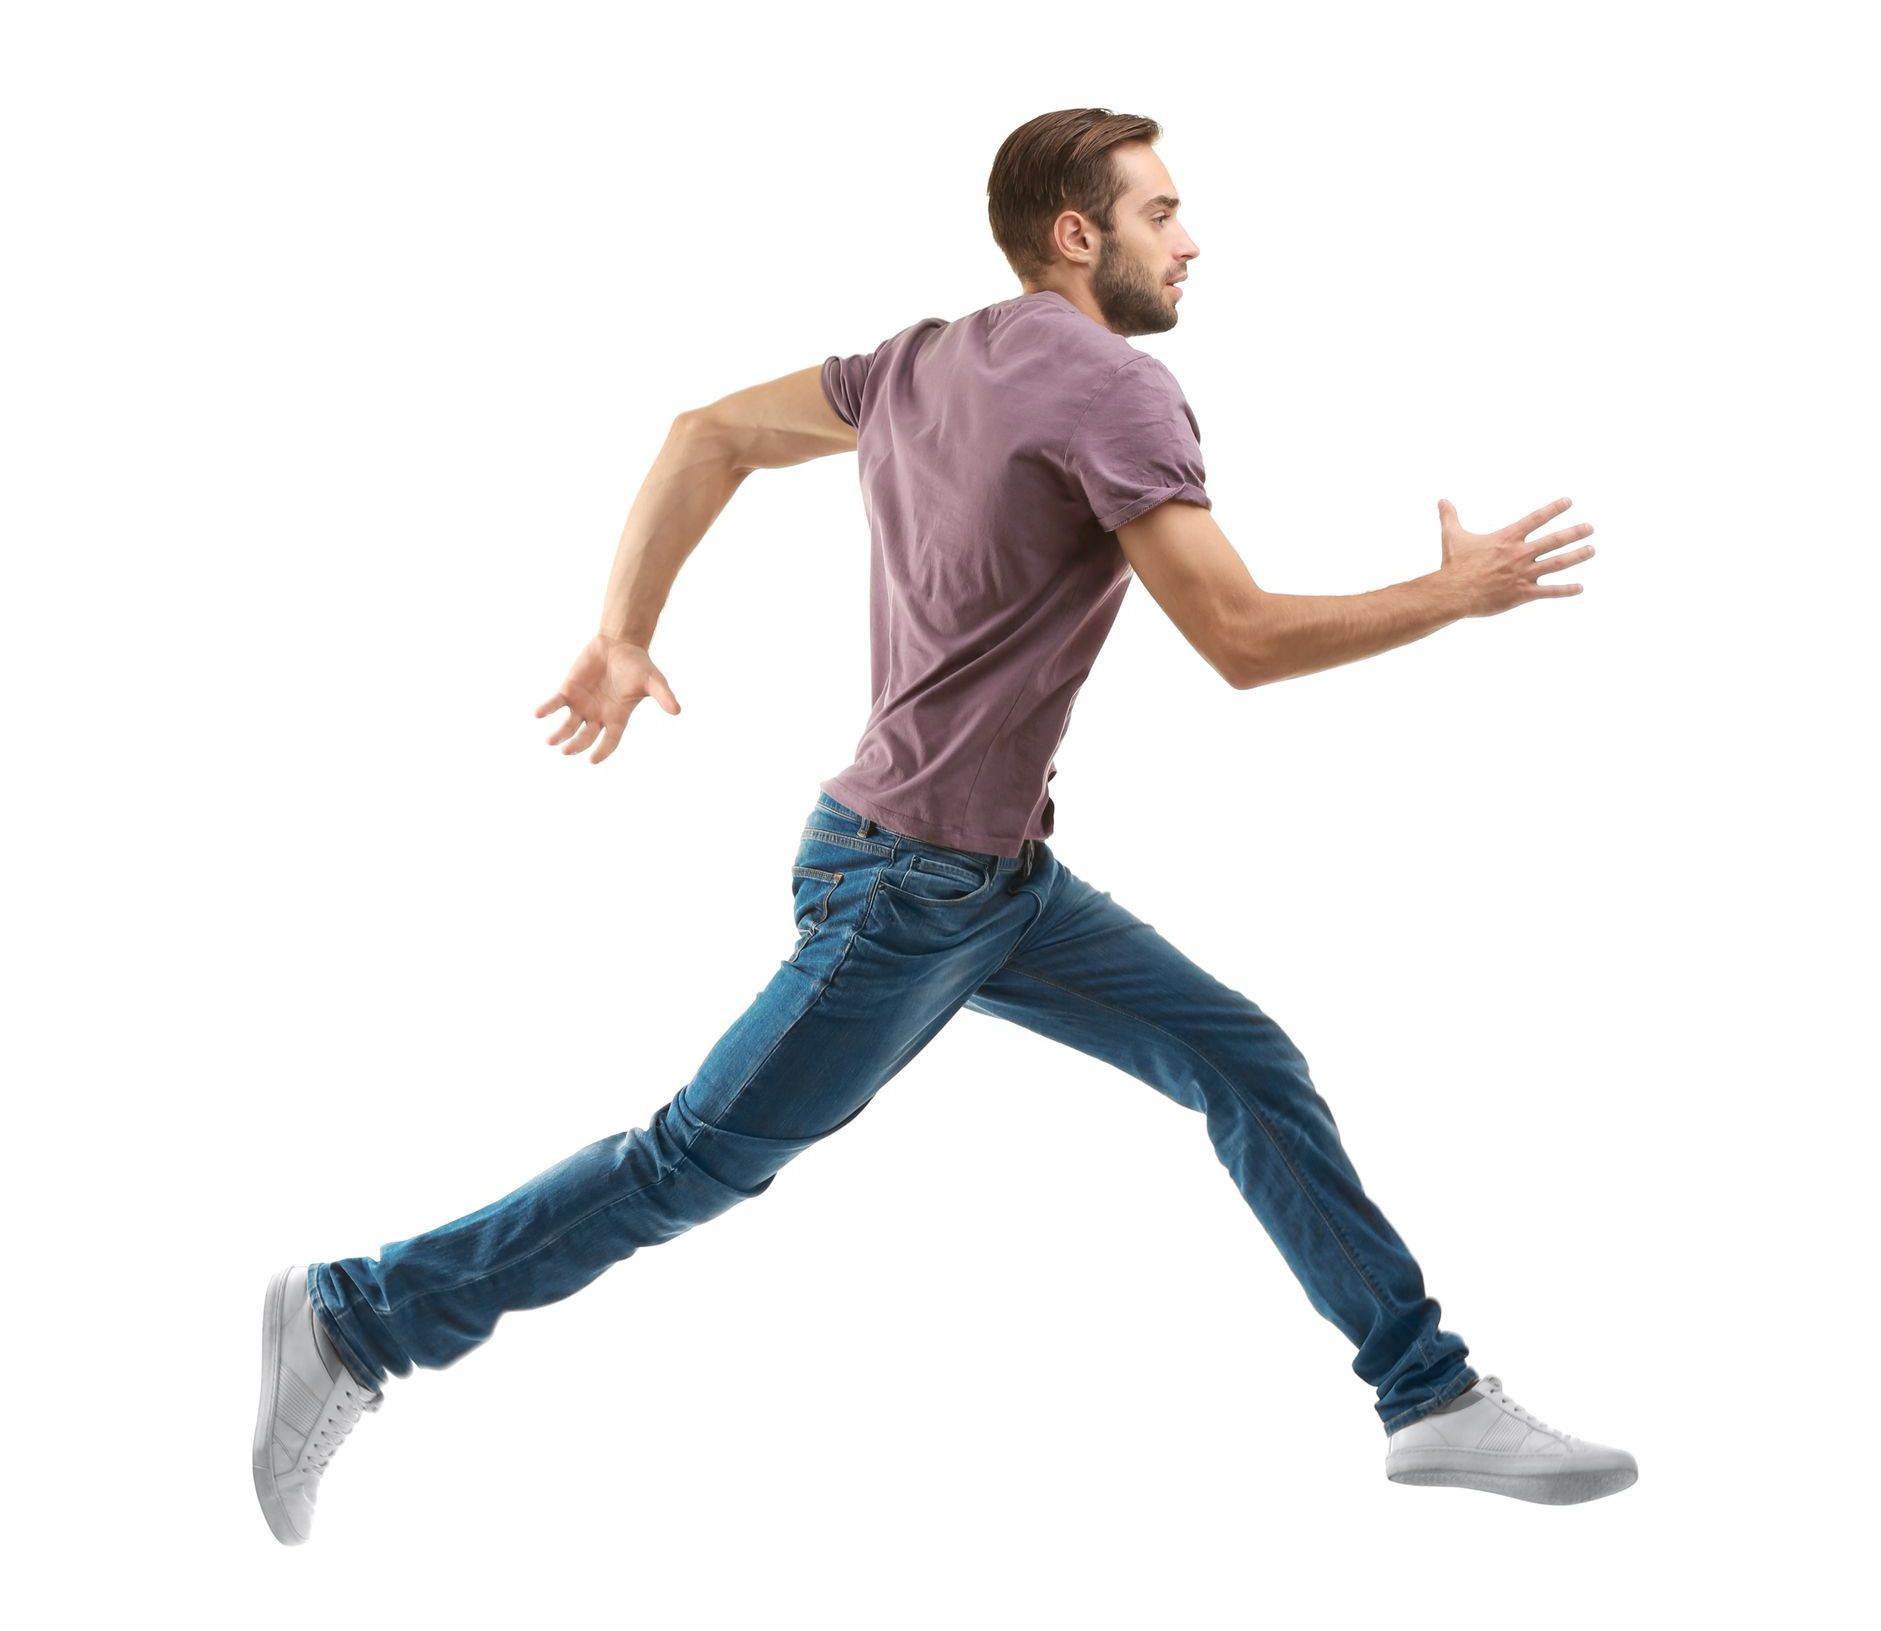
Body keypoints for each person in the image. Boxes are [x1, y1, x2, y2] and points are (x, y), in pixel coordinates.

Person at [252, 107, 1636, 1545]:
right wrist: (1452, 596)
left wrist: (621, 632)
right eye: (1162, 213)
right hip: (910, 890)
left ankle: (1425, 1399)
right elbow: (1237, 637)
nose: (1192, 240)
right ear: (1075, 233)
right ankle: (358, 1321)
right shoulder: (1113, 391)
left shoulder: (922, 359)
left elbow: (705, 433)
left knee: (1244, 1061)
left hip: (982, 882)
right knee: (689, 1164)